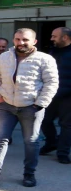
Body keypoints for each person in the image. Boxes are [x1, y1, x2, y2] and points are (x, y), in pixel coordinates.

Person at [0, 28, 58, 187]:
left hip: (31, 107)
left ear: (34, 41)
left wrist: (40, 103)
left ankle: (29, 174)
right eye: (18, 39)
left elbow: (51, 83)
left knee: (31, 142)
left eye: (25, 39)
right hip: (5, 105)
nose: (21, 43)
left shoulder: (45, 59)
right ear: (13, 40)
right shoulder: (4, 57)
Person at [40, 27, 71, 164]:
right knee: (44, 120)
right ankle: (51, 142)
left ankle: (62, 153)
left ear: (65, 37)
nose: (51, 39)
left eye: (54, 36)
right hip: (51, 94)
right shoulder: (52, 52)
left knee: (66, 125)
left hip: (68, 97)